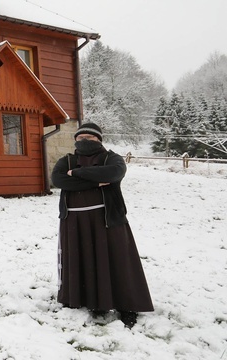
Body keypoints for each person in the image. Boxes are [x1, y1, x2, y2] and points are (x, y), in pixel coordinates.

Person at [51, 122, 153, 328]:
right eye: (80, 139)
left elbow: (113, 174)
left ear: (99, 140)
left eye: (89, 138)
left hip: (107, 220)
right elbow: (59, 180)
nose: (84, 142)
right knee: (82, 261)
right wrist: (95, 181)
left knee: (117, 262)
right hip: (75, 221)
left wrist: (77, 173)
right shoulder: (67, 160)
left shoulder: (111, 158)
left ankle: (126, 305)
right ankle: (86, 300)